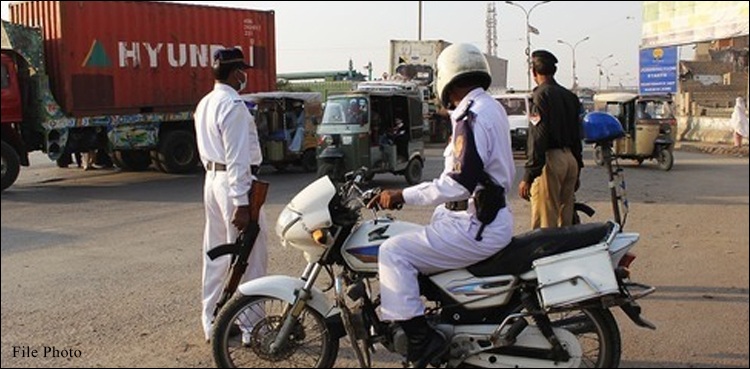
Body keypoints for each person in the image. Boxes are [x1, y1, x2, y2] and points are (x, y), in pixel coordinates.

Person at [369, 43, 515, 368]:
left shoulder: (471, 115)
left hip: (477, 226)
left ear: (447, 80)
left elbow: (457, 184)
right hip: (479, 219)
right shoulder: (487, 106)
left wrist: (401, 195)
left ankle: (422, 341)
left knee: (393, 252)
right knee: (414, 238)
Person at [194, 47, 268, 343]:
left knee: (216, 253)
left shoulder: (205, 103)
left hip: (212, 180)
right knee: (251, 255)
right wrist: (241, 203)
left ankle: (211, 320)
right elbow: (237, 157)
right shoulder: (233, 105)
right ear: (236, 73)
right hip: (234, 185)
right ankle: (252, 328)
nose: (245, 76)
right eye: (244, 71)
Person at [518, 50, 583, 229]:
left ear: (533, 72)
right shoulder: (570, 97)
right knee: (566, 220)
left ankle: (547, 256)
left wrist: (529, 175)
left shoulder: (540, 96)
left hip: (551, 161)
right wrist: (577, 168)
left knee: (545, 222)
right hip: (570, 160)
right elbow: (578, 135)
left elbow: (538, 137)